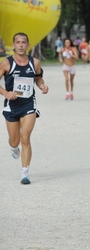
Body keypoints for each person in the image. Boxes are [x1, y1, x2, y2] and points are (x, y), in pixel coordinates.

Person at [0, 32, 49, 184]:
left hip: (28, 104)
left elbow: (38, 77)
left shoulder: (35, 62)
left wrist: (42, 86)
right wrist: (6, 93)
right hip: (11, 106)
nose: (21, 45)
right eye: (18, 42)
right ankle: (14, 148)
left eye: (23, 42)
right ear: (13, 45)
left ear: (28, 45)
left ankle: (25, 172)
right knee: (15, 141)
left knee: (25, 137)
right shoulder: (6, 63)